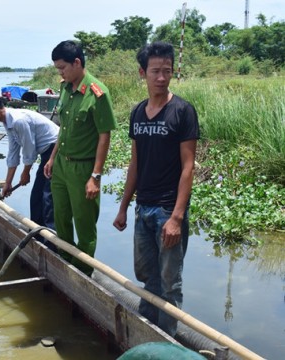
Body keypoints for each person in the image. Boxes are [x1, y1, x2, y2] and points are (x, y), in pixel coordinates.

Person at [112, 41, 200, 337]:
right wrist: (124, 206)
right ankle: (146, 330)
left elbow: (188, 167)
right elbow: (135, 163)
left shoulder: (183, 111)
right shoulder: (138, 112)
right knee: (146, 274)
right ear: (142, 73)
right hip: (143, 208)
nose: (162, 77)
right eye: (155, 71)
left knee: (170, 281)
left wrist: (176, 217)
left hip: (167, 210)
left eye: (167, 71)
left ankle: (166, 342)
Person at [43, 40, 117, 276]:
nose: (60, 73)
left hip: (83, 169)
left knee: (84, 227)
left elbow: (104, 137)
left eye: (62, 68)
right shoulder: (66, 88)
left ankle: (82, 276)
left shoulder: (98, 93)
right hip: (62, 165)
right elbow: (63, 128)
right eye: (57, 69)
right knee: (61, 219)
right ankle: (65, 266)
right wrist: (52, 158)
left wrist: (95, 176)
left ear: (77, 62)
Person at [0, 92, 59, 242]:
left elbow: (29, 149)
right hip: (45, 152)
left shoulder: (18, 121)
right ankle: (37, 235)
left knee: (48, 197)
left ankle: (51, 242)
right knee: (36, 197)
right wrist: (8, 182)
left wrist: (25, 173)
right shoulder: (8, 123)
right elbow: (13, 153)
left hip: (55, 150)